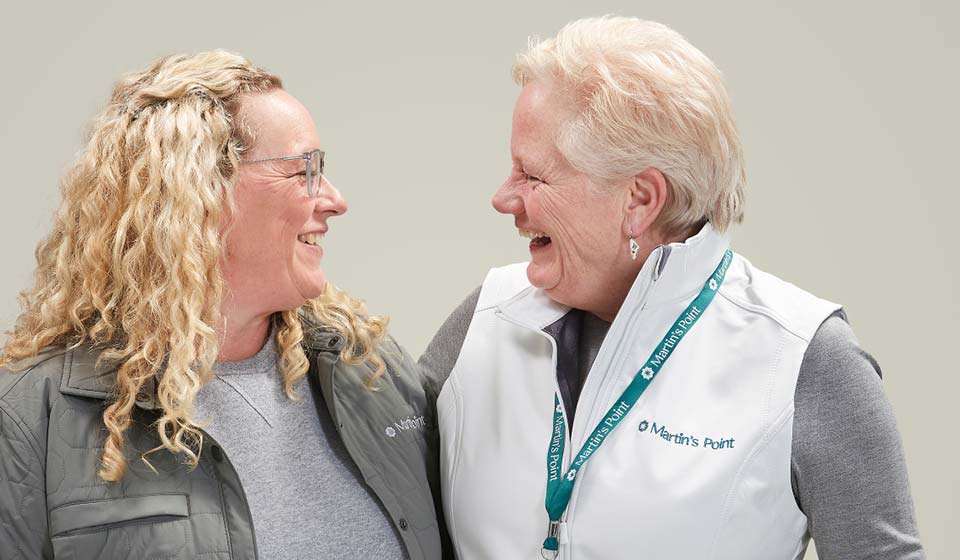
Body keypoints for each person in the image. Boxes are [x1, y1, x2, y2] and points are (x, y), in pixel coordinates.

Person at [419, 16, 925, 559]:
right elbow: (366, 485)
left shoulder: (803, 358)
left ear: (639, 199)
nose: (504, 198)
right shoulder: (486, 319)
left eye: (533, 176)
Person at [0, 51, 446, 559]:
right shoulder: (33, 416)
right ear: (200, 191)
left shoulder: (373, 372)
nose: (335, 199)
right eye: (305, 169)